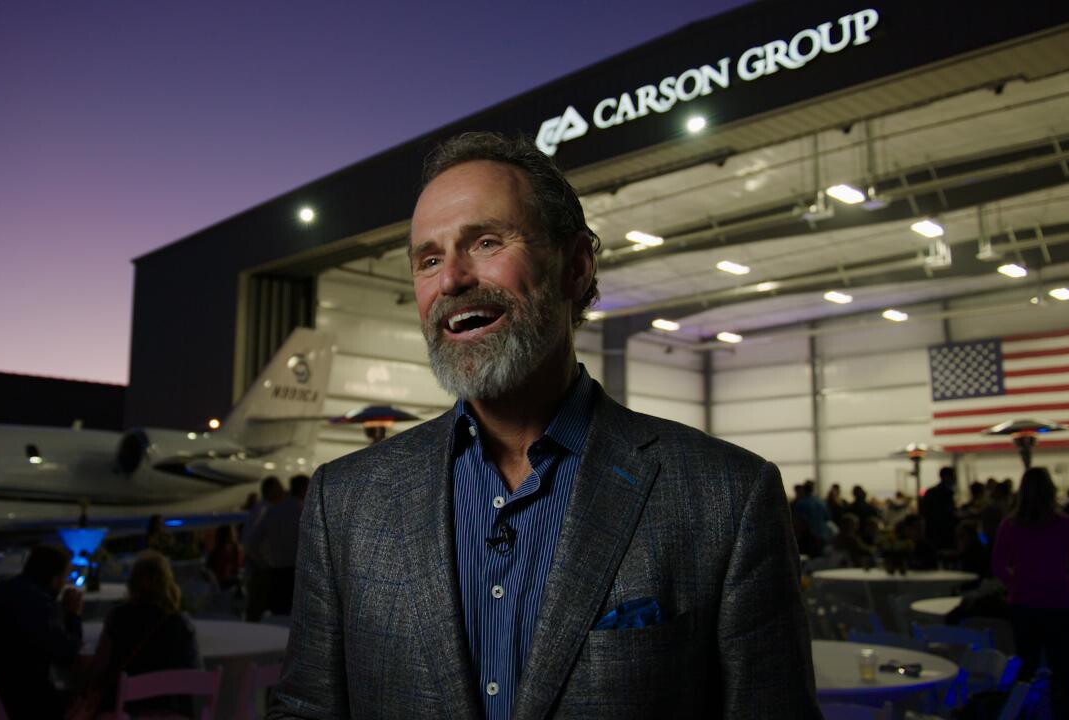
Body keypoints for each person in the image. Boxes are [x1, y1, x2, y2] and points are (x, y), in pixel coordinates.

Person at [269, 132, 817, 719]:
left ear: (576, 266)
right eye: (428, 259)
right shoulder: (346, 503)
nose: (451, 279)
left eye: (485, 241)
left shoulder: (725, 497)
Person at [0, 545, 84, 719]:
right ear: (55, 578)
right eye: (64, 576)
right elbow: (66, 654)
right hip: (11, 694)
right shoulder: (37, 603)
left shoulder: (4, 590)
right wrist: (73, 616)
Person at [991, 467, 1069, 720]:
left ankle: (1024, 713)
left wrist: (1014, 583)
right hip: (1059, 602)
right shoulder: (1067, 526)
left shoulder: (1010, 525)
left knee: (1026, 667)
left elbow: (998, 564)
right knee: (1061, 669)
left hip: (1023, 603)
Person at [84, 550, 201, 717]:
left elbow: (100, 666)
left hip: (125, 712)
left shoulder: (118, 617)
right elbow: (194, 673)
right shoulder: (181, 624)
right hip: (171, 712)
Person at [244, 477, 301, 618]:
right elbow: (251, 542)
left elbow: (251, 542)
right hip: (282, 569)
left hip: (274, 569)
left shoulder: (269, 511)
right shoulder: (288, 507)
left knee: (278, 612)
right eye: (279, 487)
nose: (283, 489)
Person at [919, 466, 958, 551]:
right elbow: (948, 514)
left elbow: (924, 512)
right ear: (946, 477)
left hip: (932, 532)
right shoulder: (946, 494)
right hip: (944, 533)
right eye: (953, 476)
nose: (955, 479)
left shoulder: (931, 492)